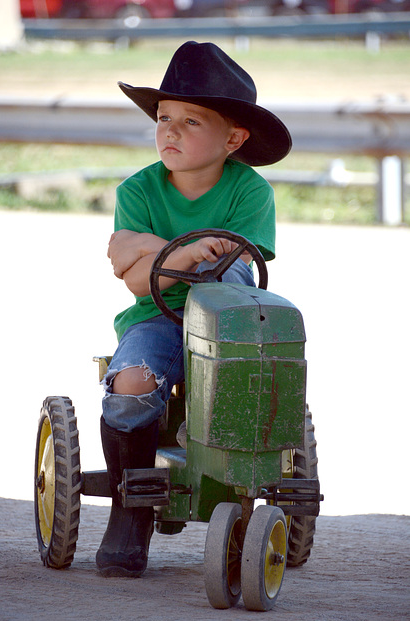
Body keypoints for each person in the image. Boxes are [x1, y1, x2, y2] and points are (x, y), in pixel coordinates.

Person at [97, 40, 292, 578]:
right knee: (131, 385)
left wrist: (145, 246)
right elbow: (139, 287)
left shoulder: (250, 193)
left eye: (190, 121)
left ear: (233, 138)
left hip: (228, 322)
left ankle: (245, 486)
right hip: (158, 318)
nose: (170, 131)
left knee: (261, 376)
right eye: (163, 118)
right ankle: (129, 509)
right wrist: (180, 253)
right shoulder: (138, 189)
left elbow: (227, 269)